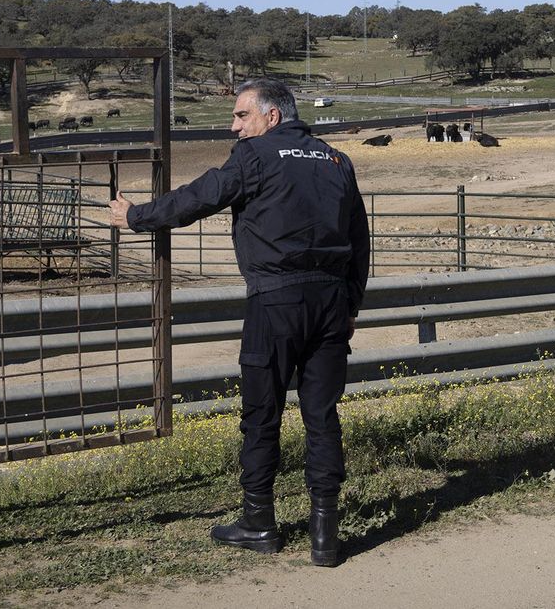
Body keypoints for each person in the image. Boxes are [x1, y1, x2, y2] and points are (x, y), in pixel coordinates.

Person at [108, 78, 369, 567]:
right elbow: (360, 237)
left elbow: (201, 196)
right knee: (322, 415)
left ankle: (259, 522)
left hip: (275, 300)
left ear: (272, 116)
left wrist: (138, 215)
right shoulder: (337, 160)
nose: (235, 126)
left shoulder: (254, 156)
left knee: (261, 413)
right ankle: (325, 538)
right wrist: (351, 304)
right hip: (332, 302)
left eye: (241, 115)